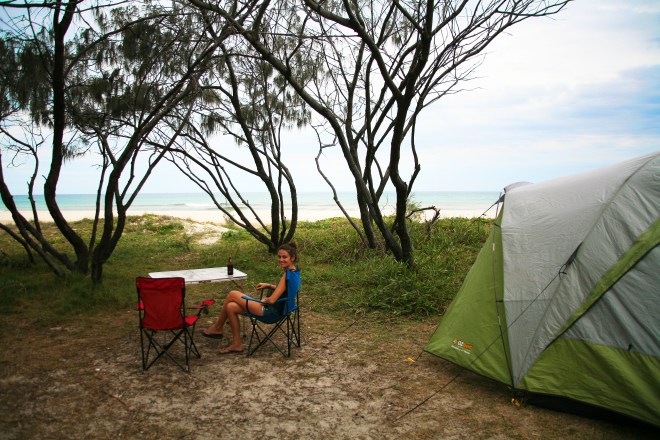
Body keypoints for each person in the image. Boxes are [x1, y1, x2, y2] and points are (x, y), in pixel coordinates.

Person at [201, 242, 300, 354]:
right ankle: (237, 344)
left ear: (292, 258)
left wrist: (265, 300)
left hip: (271, 312)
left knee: (233, 294)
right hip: (283, 310)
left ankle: (217, 328)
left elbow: (272, 300)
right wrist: (269, 285)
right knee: (231, 307)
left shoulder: (287, 274)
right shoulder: (294, 271)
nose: (281, 259)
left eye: (284, 257)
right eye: (279, 257)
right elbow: (286, 289)